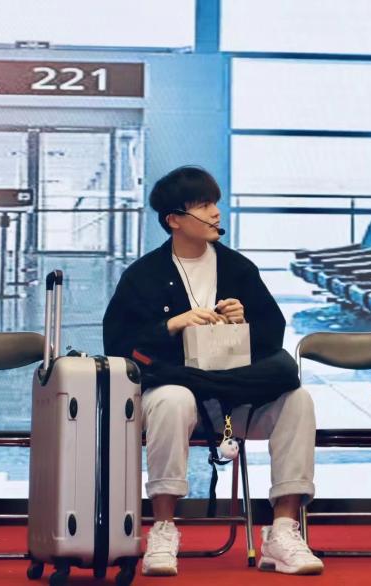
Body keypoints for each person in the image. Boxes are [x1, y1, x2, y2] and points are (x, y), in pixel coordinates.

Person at [103, 166, 323, 577]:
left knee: (298, 400)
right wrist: (173, 324)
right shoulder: (143, 275)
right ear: (174, 219)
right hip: (178, 396)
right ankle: (164, 527)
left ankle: (282, 531)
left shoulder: (238, 269)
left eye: (215, 203)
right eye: (204, 205)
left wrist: (244, 321)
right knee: (172, 399)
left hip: (238, 398)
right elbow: (117, 344)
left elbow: (272, 334)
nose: (216, 212)